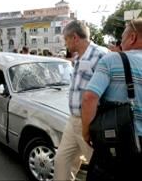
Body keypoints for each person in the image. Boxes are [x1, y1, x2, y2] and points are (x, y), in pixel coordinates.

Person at [81, 19, 142, 181]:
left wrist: (86, 131)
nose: (120, 41)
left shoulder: (113, 60)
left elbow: (89, 97)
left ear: (133, 37)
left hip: (119, 144)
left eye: (122, 36)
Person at [53, 20, 108, 181]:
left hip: (91, 122)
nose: (65, 44)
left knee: (99, 167)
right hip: (73, 120)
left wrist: (89, 125)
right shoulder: (78, 57)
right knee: (62, 160)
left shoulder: (101, 55)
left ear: (75, 37)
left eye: (66, 39)